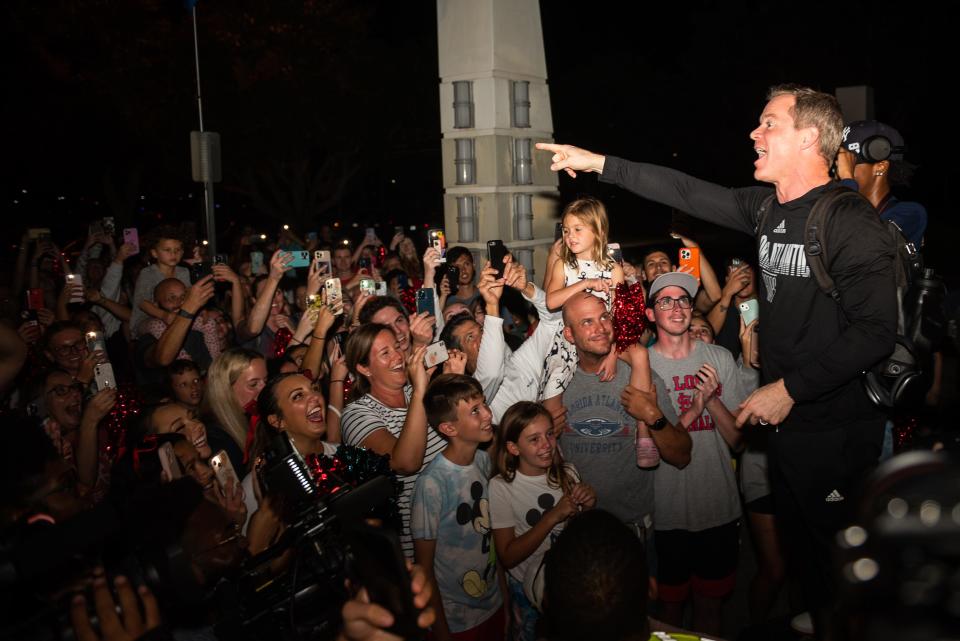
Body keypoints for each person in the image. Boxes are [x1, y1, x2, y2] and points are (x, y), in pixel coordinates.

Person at [537, 83, 897, 638]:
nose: (754, 133)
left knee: (842, 561)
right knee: (809, 561)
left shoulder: (849, 222)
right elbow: (683, 187)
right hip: (790, 429)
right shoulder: (767, 208)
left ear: (809, 137)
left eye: (768, 123)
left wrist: (788, 389)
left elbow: (877, 332)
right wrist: (603, 164)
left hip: (835, 428)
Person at [642, 272, 747, 635]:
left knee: (710, 610)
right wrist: (696, 404)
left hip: (718, 508)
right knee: (667, 614)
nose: (677, 307)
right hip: (665, 513)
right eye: (665, 301)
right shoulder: (643, 367)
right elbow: (656, 445)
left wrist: (711, 401)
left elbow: (738, 441)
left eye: (684, 299)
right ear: (651, 314)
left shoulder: (718, 358)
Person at [559, 292, 692, 553]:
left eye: (604, 317)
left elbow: (682, 456)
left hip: (634, 531)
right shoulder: (556, 384)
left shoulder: (644, 377)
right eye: (587, 322)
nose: (600, 328)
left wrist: (653, 417)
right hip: (575, 530)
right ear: (569, 335)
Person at [542, 198, 660, 466]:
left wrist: (614, 350)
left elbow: (620, 315)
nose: (570, 236)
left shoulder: (613, 268)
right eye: (566, 230)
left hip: (609, 336)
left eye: (578, 229)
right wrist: (586, 283)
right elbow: (551, 300)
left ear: (598, 231)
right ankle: (553, 452)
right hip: (568, 339)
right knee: (551, 393)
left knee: (640, 355)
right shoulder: (564, 265)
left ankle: (643, 433)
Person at [488, 401, 595, 641]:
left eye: (549, 434)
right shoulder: (501, 487)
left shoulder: (568, 473)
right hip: (525, 592)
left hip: (568, 584)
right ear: (514, 448)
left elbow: (581, 540)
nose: (546, 445)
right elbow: (507, 556)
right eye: (534, 439)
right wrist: (553, 516)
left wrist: (588, 508)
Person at [411, 374, 504, 641]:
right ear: (449, 428)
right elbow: (424, 568)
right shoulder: (432, 484)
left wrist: (504, 600)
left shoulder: (483, 463)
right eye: (475, 411)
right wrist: (442, 632)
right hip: (458, 621)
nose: (487, 414)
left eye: (484, 404)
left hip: (493, 604)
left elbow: (490, 540)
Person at [341, 323, 444, 559]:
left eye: (397, 347)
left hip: (459, 525)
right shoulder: (356, 414)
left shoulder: (418, 392)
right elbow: (405, 462)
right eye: (385, 353)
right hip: (419, 547)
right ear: (364, 368)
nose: (398, 356)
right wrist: (419, 391)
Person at [837, 119, 927, 247]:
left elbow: (857, 243)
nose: (840, 169)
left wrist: (847, 178)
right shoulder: (834, 202)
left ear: (880, 167)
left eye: (849, 163)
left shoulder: (909, 215)